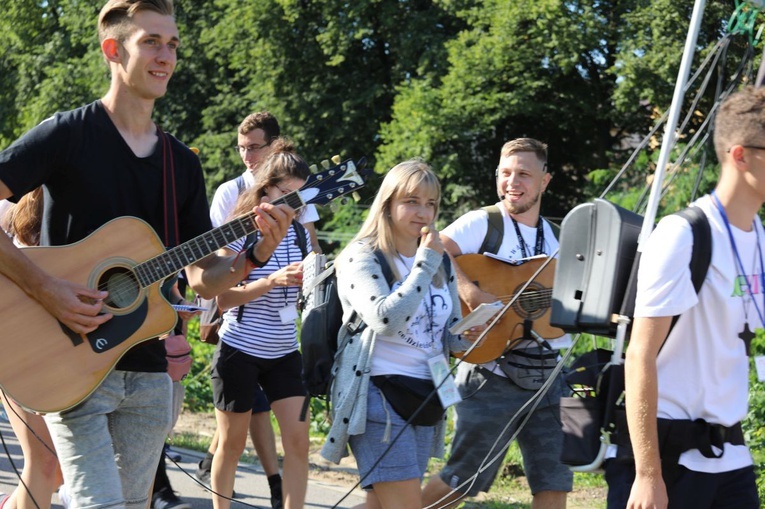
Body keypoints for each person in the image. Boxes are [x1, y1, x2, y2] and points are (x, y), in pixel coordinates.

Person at [0, 1, 294, 507]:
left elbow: (202, 277)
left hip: (149, 375)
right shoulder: (67, 135)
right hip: (71, 367)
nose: (166, 56)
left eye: (173, 44)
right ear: (113, 50)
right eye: (151, 42)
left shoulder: (180, 163)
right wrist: (43, 287)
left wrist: (251, 257)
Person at [607, 87, 765, 509]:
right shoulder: (684, 234)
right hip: (670, 460)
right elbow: (640, 355)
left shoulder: (760, 237)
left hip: (730, 455)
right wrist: (647, 474)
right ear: (740, 155)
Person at [421, 138, 573, 509]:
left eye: (523, 174)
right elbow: (431, 247)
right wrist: (469, 289)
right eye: (505, 173)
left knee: (554, 482)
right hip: (491, 373)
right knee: (463, 479)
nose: (512, 182)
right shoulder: (483, 222)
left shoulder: (554, 239)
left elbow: (555, 308)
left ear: (544, 181)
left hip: (550, 375)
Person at [320, 160, 471, 509]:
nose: (424, 212)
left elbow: (445, 333)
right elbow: (385, 319)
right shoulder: (363, 256)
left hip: (425, 398)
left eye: (431, 204)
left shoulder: (439, 262)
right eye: (412, 201)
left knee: (382, 505)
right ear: (387, 203)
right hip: (377, 399)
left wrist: (471, 334)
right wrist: (424, 264)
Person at [210, 139, 312, 509]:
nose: (294, 206)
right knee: (231, 445)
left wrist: (313, 279)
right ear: (265, 188)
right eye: (287, 195)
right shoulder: (238, 230)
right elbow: (223, 299)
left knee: (299, 443)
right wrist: (272, 281)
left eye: (300, 197)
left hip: (285, 351)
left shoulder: (300, 233)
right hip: (240, 349)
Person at [0, 189, 63, 509]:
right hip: (15, 350)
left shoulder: (88, 204)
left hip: (68, 355)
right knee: (45, 461)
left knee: (58, 472)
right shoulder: (9, 212)